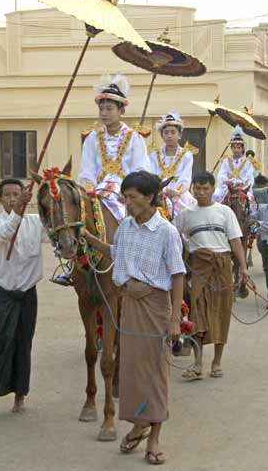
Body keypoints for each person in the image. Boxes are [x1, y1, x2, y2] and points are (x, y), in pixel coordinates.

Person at [80, 171, 186, 466]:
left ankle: (153, 437)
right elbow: (117, 253)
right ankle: (138, 424)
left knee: (156, 374)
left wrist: (175, 318)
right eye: (125, 197)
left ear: (150, 197)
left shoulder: (167, 232)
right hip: (128, 305)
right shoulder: (125, 227)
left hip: (155, 305)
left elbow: (178, 274)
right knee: (131, 370)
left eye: (132, 197)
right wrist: (90, 239)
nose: (127, 203)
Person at [0, 179, 47, 418]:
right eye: (7, 195)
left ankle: (20, 396)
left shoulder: (36, 222)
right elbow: (4, 234)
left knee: (22, 344)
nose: (12, 198)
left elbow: (58, 237)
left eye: (16, 194)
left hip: (28, 294)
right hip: (3, 293)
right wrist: (17, 212)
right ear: (0, 199)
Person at [174, 171, 248, 381]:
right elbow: (172, 236)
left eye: (206, 188)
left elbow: (235, 241)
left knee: (221, 312)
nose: (201, 192)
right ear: (192, 189)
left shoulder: (224, 212)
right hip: (199, 268)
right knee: (197, 311)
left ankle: (217, 362)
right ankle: (197, 364)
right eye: (197, 188)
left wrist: (242, 267)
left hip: (222, 266)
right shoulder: (186, 214)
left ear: (213, 190)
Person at [78, 73, 150, 221]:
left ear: (121, 111)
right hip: (96, 191)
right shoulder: (92, 138)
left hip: (127, 193)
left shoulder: (134, 137)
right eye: (101, 109)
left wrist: (129, 194)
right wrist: (90, 192)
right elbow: (86, 171)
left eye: (109, 109)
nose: (104, 113)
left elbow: (140, 169)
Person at [149, 112, 197, 218]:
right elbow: (151, 176)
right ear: (162, 135)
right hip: (159, 192)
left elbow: (186, 178)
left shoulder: (187, 155)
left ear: (179, 135)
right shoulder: (154, 155)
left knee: (192, 213)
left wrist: (176, 191)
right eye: (166, 133)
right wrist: (164, 190)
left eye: (173, 132)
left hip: (180, 194)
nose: (169, 135)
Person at [213, 125, 255, 205]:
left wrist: (241, 182)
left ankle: (250, 216)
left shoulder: (248, 162)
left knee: (249, 199)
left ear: (242, 148)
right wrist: (227, 181)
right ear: (231, 148)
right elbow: (221, 174)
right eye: (234, 147)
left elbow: (249, 176)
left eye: (238, 147)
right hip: (228, 187)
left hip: (243, 187)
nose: (236, 150)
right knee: (215, 195)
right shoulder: (226, 160)